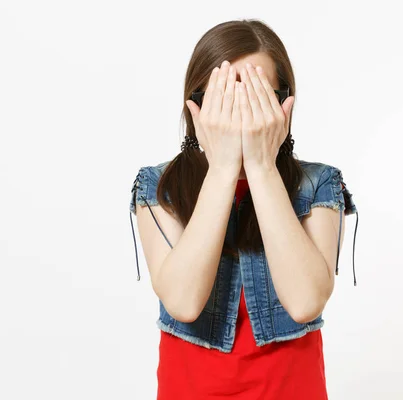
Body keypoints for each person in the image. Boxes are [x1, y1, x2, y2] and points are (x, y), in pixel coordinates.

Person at [129, 19, 358, 400]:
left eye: (256, 97)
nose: (240, 114)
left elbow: (305, 302)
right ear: (196, 107)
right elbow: (182, 301)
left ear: (284, 106)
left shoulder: (318, 183)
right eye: (225, 98)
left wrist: (262, 166)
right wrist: (221, 168)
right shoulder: (159, 185)